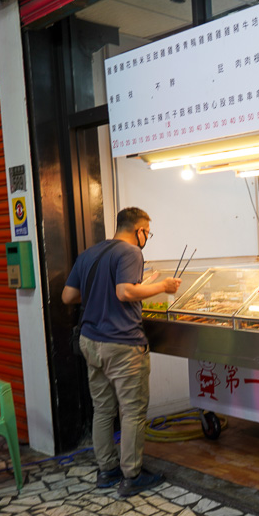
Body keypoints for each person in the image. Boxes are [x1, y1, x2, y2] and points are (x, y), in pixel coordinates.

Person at [62, 207, 181, 498]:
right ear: (138, 229)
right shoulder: (130, 252)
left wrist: (101, 293)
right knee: (132, 411)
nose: (146, 238)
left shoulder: (90, 254)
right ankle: (133, 474)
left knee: (102, 410)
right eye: (147, 232)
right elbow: (125, 292)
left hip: (91, 342)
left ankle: (107, 471)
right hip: (122, 344)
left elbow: (68, 296)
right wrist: (162, 286)